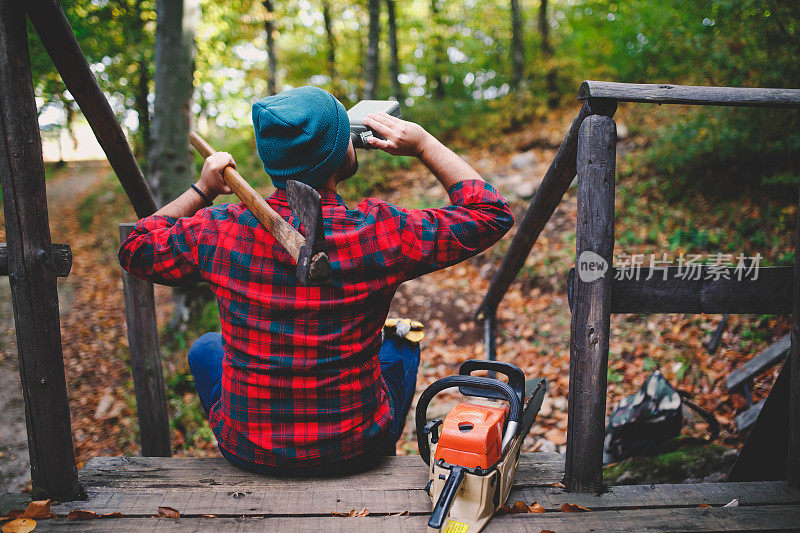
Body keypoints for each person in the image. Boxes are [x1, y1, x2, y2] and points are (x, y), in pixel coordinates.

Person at [120, 86, 513, 476]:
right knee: (401, 343)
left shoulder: (219, 231)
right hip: (355, 449)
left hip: (249, 450)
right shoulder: (379, 232)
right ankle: (383, 448)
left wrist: (202, 190)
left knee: (206, 347)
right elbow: (490, 213)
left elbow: (135, 247)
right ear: (341, 152)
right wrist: (424, 144)